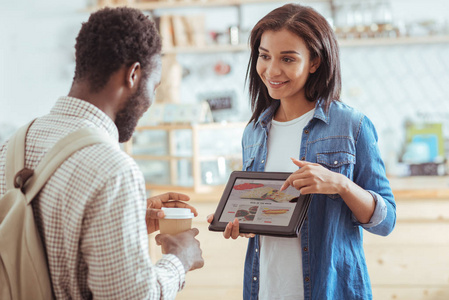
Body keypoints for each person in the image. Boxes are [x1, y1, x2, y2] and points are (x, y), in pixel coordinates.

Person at [0, 7, 204, 299]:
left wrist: (125, 219)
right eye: (154, 86)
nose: (151, 100)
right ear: (133, 75)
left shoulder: (12, 144)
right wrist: (179, 260)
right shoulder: (114, 171)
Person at [207, 3, 396, 300]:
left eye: (287, 58)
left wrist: (340, 184)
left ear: (314, 62)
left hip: (331, 291)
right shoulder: (254, 132)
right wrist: (242, 221)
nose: (272, 70)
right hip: (266, 289)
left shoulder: (351, 125)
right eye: (264, 56)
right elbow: (267, 214)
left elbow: (386, 221)